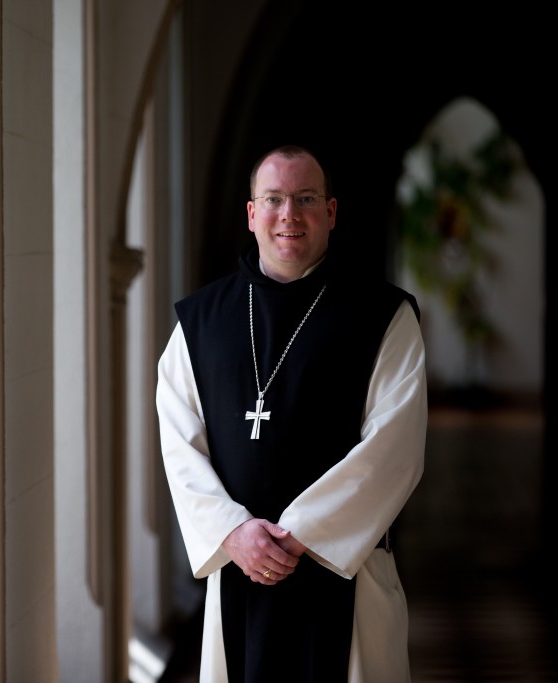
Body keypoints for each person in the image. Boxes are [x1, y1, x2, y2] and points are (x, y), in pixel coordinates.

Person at [156, 145, 428, 682]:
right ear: (252, 214)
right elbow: (177, 441)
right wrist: (234, 533)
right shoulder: (200, 322)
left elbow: (394, 448)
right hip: (240, 571)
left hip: (347, 573)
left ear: (330, 213)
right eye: (274, 199)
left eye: (305, 199)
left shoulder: (384, 315)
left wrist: (299, 534)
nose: (289, 214)